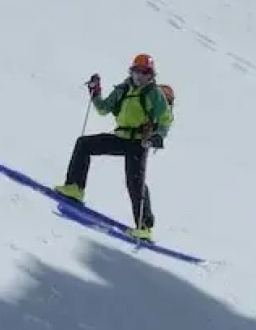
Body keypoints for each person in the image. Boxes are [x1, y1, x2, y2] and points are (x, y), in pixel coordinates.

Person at [55, 53, 173, 240]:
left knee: (135, 182)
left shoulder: (154, 93)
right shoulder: (123, 89)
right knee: (84, 144)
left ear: (151, 75)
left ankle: (145, 228)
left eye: (145, 72)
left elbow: (165, 118)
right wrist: (95, 92)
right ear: (131, 72)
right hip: (121, 137)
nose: (140, 76)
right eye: (137, 71)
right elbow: (103, 108)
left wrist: (159, 136)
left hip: (139, 142)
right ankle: (75, 188)